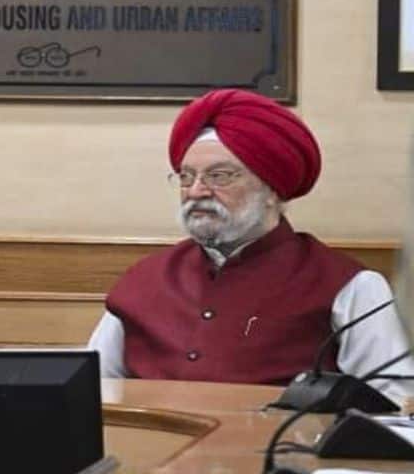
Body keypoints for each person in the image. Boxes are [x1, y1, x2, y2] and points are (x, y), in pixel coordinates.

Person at [88, 89, 413, 401]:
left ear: (272, 189)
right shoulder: (144, 280)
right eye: (186, 177)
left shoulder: (350, 286)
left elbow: (393, 404)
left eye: (221, 176)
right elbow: (90, 385)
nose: (196, 191)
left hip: (280, 455)